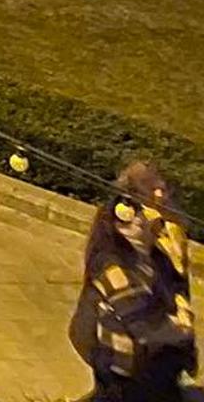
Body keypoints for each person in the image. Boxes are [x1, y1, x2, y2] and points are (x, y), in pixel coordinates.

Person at [71, 161, 193, 398]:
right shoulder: (111, 261)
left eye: (162, 188)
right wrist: (180, 328)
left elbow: (178, 286)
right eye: (149, 192)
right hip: (124, 370)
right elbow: (143, 324)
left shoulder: (164, 242)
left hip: (153, 368)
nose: (159, 195)